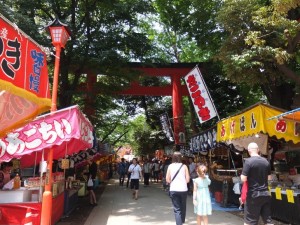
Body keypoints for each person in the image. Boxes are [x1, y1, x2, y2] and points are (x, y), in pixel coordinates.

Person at [241, 142, 273, 225]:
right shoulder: (266, 161)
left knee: (249, 222)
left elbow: (243, 178)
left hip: (253, 195)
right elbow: (269, 178)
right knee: (268, 220)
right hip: (265, 194)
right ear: (258, 150)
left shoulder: (248, 162)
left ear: (249, 151)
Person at [166, 152, 190, 225]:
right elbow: (188, 180)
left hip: (174, 189)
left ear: (173, 157)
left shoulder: (170, 166)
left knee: (177, 209)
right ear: (180, 157)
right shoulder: (184, 166)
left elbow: (167, 179)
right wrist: (182, 182)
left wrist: (173, 183)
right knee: (183, 207)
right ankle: (181, 221)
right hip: (183, 189)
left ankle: (179, 223)